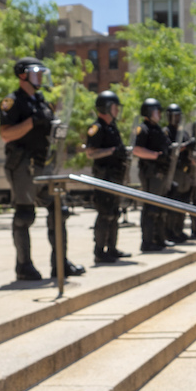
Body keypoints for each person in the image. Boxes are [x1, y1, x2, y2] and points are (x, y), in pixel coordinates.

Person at [0, 57, 85, 280]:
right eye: (35, 72)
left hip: (45, 165)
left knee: (59, 211)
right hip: (22, 166)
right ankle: (24, 266)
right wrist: (31, 122)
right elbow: (6, 134)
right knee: (25, 216)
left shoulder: (42, 101)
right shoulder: (12, 101)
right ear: (22, 75)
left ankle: (60, 263)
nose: (40, 77)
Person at [85, 90, 130, 262]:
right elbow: (91, 153)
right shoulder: (97, 127)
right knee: (104, 213)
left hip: (115, 177)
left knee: (114, 213)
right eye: (114, 107)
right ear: (106, 108)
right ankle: (99, 251)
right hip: (104, 178)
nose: (117, 110)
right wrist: (112, 151)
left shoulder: (112, 127)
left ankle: (111, 248)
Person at [132, 97, 171, 252]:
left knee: (160, 208)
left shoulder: (158, 129)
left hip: (160, 173)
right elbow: (137, 150)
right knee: (151, 208)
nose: (159, 114)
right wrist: (156, 156)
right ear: (148, 112)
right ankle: (147, 242)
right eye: (156, 111)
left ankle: (159, 239)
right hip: (150, 172)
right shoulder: (143, 129)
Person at [163, 103, 194, 244]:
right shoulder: (166, 132)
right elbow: (169, 149)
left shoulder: (184, 132)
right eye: (174, 115)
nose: (176, 118)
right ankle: (169, 232)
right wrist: (185, 146)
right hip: (173, 171)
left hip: (185, 171)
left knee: (183, 202)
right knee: (173, 204)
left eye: (178, 115)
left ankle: (178, 230)